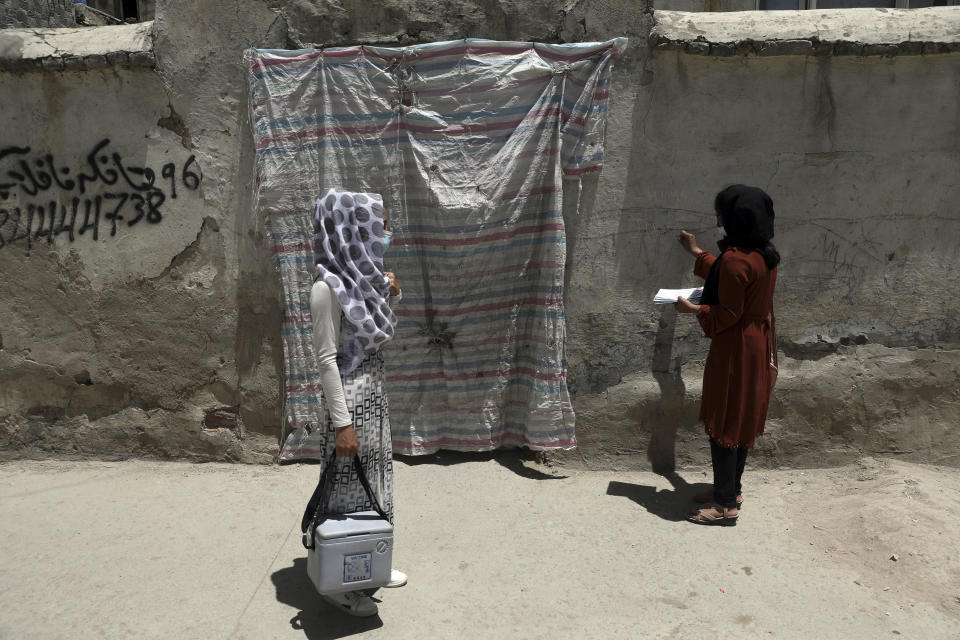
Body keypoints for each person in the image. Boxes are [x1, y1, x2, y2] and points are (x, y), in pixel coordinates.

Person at [309, 188, 406, 615]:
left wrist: (393, 293)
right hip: (348, 401)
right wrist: (343, 423)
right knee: (346, 488)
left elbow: (376, 328)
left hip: (374, 394)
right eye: (378, 225)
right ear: (353, 229)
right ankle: (342, 584)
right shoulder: (326, 289)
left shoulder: (366, 281)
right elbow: (327, 361)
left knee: (375, 479)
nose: (385, 233)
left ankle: (374, 558)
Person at [675, 185, 780, 526]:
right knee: (741, 419)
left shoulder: (736, 260)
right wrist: (696, 253)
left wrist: (693, 308)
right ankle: (731, 489)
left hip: (735, 347)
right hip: (755, 344)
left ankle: (723, 506)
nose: (718, 222)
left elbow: (727, 312)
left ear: (735, 220)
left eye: (720, 217)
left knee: (723, 419)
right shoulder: (763, 254)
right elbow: (730, 274)